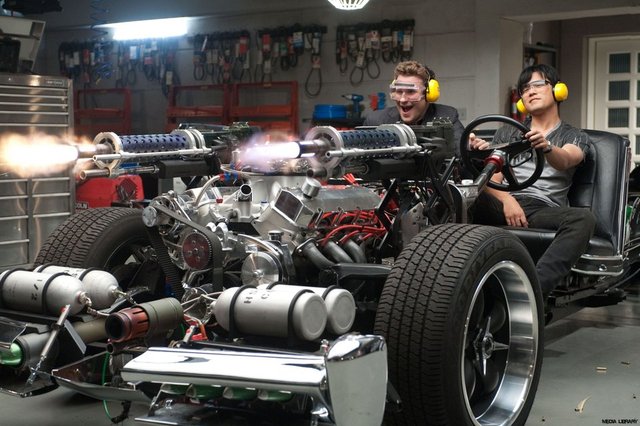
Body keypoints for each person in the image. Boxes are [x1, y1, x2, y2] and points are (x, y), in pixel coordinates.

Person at [470, 63, 596, 299]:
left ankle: (531, 293)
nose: (531, 91)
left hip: (542, 209)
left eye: (538, 84)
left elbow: (566, 159)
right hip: (505, 202)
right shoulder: (507, 133)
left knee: (583, 219)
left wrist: (547, 147)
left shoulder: (574, 135)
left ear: (558, 90)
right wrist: (507, 199)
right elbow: (492, 180)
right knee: (458, 196)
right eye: (525, 88)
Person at [363, 60, 464, 145]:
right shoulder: (375, 121)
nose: (403, 100)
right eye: (399, 91)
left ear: (428, 94)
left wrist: (469, 147)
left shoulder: (447, 117)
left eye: (411, 92)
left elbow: (461, 151)